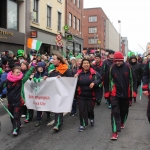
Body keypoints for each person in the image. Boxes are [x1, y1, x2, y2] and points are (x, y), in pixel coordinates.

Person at [104, 51, 137, 140]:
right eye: (116, 61)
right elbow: (106, 81)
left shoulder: (128, 67)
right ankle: (115, 131)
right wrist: (107, 93)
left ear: (122, 60)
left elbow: (133, 80)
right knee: (115, 111)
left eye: (119, 60)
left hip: (126, 94)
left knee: (124, 110)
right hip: (114, 94)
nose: (118, 62)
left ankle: (122, 121)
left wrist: (134, 92)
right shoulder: (111, 68)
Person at [0, 66, 34, 135]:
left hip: (18, 101)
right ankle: (16, 124)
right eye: (17, 72)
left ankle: (16, 129)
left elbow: (27, 75)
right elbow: (1, 87)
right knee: (12, 115)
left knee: (16, 115)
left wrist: (32, 67)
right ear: (12, 73)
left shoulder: (21, 80)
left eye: (19, 72)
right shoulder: (7, 81)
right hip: (10, 101)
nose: (19, 73)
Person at [75, 59, 101, 132]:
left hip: (91, 95)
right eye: (84, 63)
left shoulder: (94, 73)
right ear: (82, 65)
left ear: (89, 64)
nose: (86, 65)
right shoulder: (78, 73)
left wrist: (94, 83)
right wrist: (74, 78)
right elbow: (72, 82)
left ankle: (91, 118)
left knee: (90, 110)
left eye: (87, 63)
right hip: (81, 95)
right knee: (82, 110)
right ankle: (82, 124)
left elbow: (100, 79)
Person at [48, 53, 72, 131]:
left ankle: (58, 124)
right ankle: (58, 122)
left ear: (59, 60)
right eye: (52, 59)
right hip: (54, 91)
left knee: (58, 107)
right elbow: (50, 78)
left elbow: (70, 80)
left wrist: (62, 78)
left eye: (54, 59)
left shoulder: (65, 69)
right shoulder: (52, 69)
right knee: (56, 107)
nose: (53, 60)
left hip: (62, 92)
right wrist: (45, 77)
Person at [33, 62, 50, 127]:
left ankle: (48, 114)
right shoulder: (35, 75)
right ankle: (38, 120)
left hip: (45, 93)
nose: (39, 69)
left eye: (41, 67)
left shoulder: (46, 74)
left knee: (46, 105)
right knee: (39, 106)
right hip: (38, 93)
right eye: (38, 67)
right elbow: (34, 81)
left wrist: (47, 78)